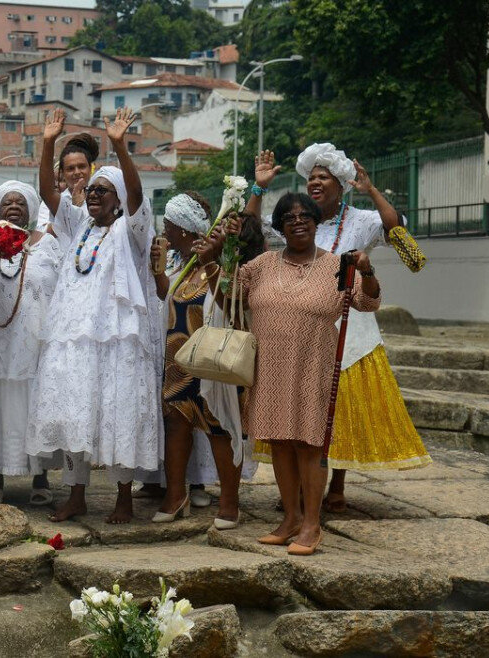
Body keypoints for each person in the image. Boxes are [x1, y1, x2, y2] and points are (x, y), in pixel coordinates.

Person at [246, 145, 430, 511]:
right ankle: (299, 490)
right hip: (295, 331)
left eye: (323, 177)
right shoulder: (296, 220)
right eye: (311, 177)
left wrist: (372, 191)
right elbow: (249, 235)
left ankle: (337, 486)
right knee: (300, 413)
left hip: (352, 330)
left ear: (341, 184)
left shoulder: (361, 220)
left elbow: (404, 243)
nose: (315, 182)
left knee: (340, 411)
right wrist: (258, 188)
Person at [198, 192, 382, 555]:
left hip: (314, 367)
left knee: (308, 444)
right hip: (270, 368)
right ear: (280, 226)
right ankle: (291, 519)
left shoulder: (337, 265)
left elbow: (369, 301)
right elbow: (229, 298)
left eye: (305, 216)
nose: (298, 221)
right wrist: (211, 264)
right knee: (280, 443)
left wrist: (367, 270)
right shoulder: (262, 265)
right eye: (289, 217)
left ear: (316, 223)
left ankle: (312, 524)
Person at [29, 107, 165, 524]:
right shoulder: (75, 227)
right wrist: (48, 142)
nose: (92, 194)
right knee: (74, 411)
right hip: (72, 338)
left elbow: (138, 195)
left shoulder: (133, 230)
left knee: (118, 410)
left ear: (119, 199)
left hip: (118, 339)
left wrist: (121, 147)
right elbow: (50, 195)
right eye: (90, 190)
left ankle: (123, 497)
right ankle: (76, 494)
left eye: (102, 190)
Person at [149, 194, 266, 528]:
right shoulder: (179, 262)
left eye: (168, 225)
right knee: (176, 424)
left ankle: (229, 503)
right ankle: (175, 496)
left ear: (184, 229)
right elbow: (166, 295)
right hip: (179, 359)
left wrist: (213, 259)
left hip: (216, 359)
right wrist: (157, 270)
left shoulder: (226, 260)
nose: (164, 231)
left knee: (220, 426)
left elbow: (231, 299)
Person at [0, 181, 62, 505]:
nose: (14, 207)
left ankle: (40, 478)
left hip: (34, 341)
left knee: (33, 406)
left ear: (31, 210)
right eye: (7, 202)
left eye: (21, 203)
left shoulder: (48, 245)